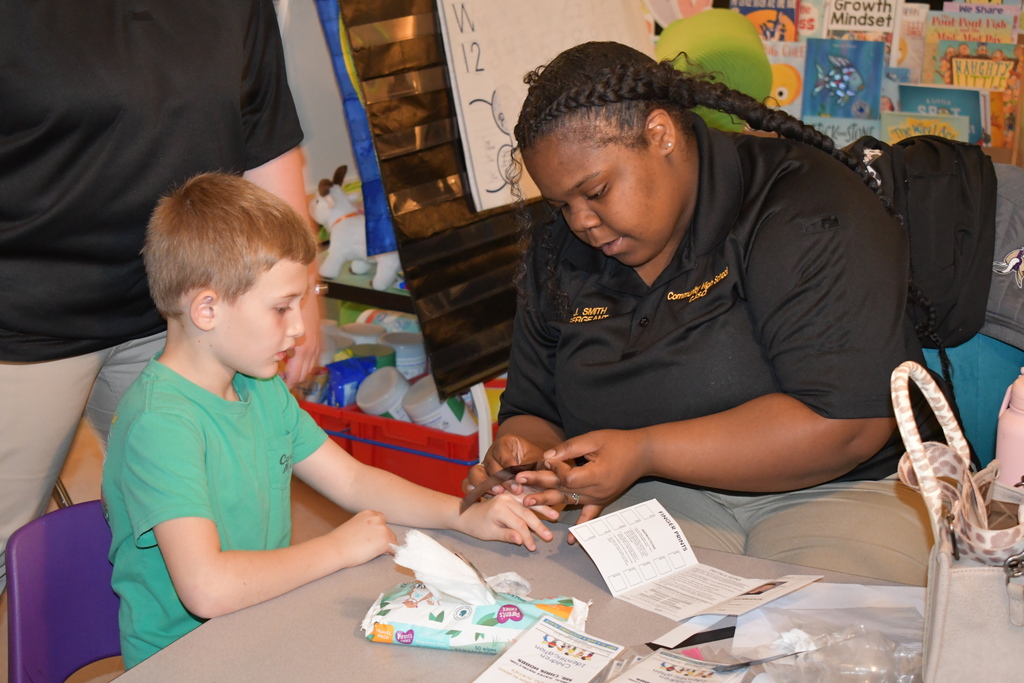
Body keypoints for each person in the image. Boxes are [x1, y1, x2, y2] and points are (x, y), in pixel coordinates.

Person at [465, 41, 944, 586]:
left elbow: (847, 424)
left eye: (595, 191)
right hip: (650, 497)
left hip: (848, 490)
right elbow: (536, 409)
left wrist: (644, 449)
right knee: (595, 628)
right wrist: (526, 455)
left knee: (807, 647)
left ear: (661, 135)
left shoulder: (802, 205)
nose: (581, 223)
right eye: (561, 205)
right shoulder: (560, 254)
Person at [102, 173, 555, 668]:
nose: (298, 328)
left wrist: (463, 515)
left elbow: (354, 479)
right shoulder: (162, 424)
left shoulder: (259, 385)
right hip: (184, 663)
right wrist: (337, 548)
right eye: (282, 308)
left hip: (258, 626)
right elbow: (207, 590)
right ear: (206, 309)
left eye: (303, 301)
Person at [0, 0, 320, 594]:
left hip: (183, 312)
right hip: (22, 319)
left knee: (219, 533)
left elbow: (265, 134)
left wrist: (299, 292)